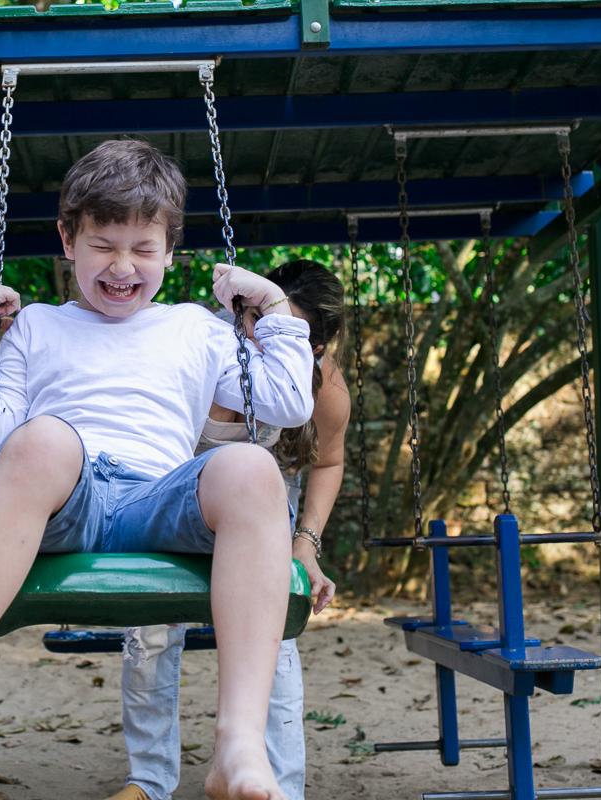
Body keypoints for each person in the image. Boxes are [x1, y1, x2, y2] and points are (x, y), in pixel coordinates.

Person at [0, 139, 314, 800]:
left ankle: (237, 740)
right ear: (68, 239)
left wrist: (271, 304)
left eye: (143, 250)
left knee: (248, 467)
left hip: (162, 500)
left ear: (171, 252)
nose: (123, 267)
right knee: (41, 441)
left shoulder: (195, 328)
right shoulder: (36, 326)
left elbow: (289, 403)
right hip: (69, 499)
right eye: (104, 245)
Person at [112, 261, 349, 800]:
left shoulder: (321, 386)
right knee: (151, 624)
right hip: (171, 485)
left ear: (312, 350)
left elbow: (328, 462)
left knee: (274, 631)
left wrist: (305, 546)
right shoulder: (194, 340)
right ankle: (148, 780)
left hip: (256, 499)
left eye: (291, 335)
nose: (265, 340)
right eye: (259, 323)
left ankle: (278, 787)